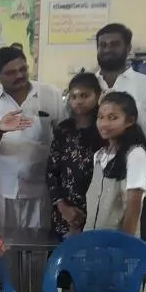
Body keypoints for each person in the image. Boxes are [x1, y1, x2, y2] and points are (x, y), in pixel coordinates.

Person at [0, 46, 64, 292]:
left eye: (22, 69)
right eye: (11, 72)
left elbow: (64, 137)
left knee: (38, 256)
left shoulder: (50, 94)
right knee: (6, 254)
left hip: (41, 191)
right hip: (1, 191)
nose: (19, 76)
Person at [94, 23, 146, 241]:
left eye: (114, 44)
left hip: (135, 180)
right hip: (96, 179)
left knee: (132, 240)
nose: (108, 49)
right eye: (102, 45)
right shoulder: (88, 85)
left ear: (128, 47)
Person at [85, 92, 146, 236]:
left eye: (113, 118)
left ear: (129, 121)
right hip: (93, 239)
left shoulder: (136, 156)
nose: (104, 123)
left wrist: (123, 247)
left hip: (118, 244)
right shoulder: (100, 155)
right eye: (100, 117)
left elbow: (133, 210)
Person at [47, 73, 104, 239]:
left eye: (85, 95)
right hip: (64, 212)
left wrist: (91, 212)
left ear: (98, 95)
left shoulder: (104, 131)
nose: (78, 101)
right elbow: (51, 172)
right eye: (73, 96)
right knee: (64, 261)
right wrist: (63, 207)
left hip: (97, 211)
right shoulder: (63, 130)